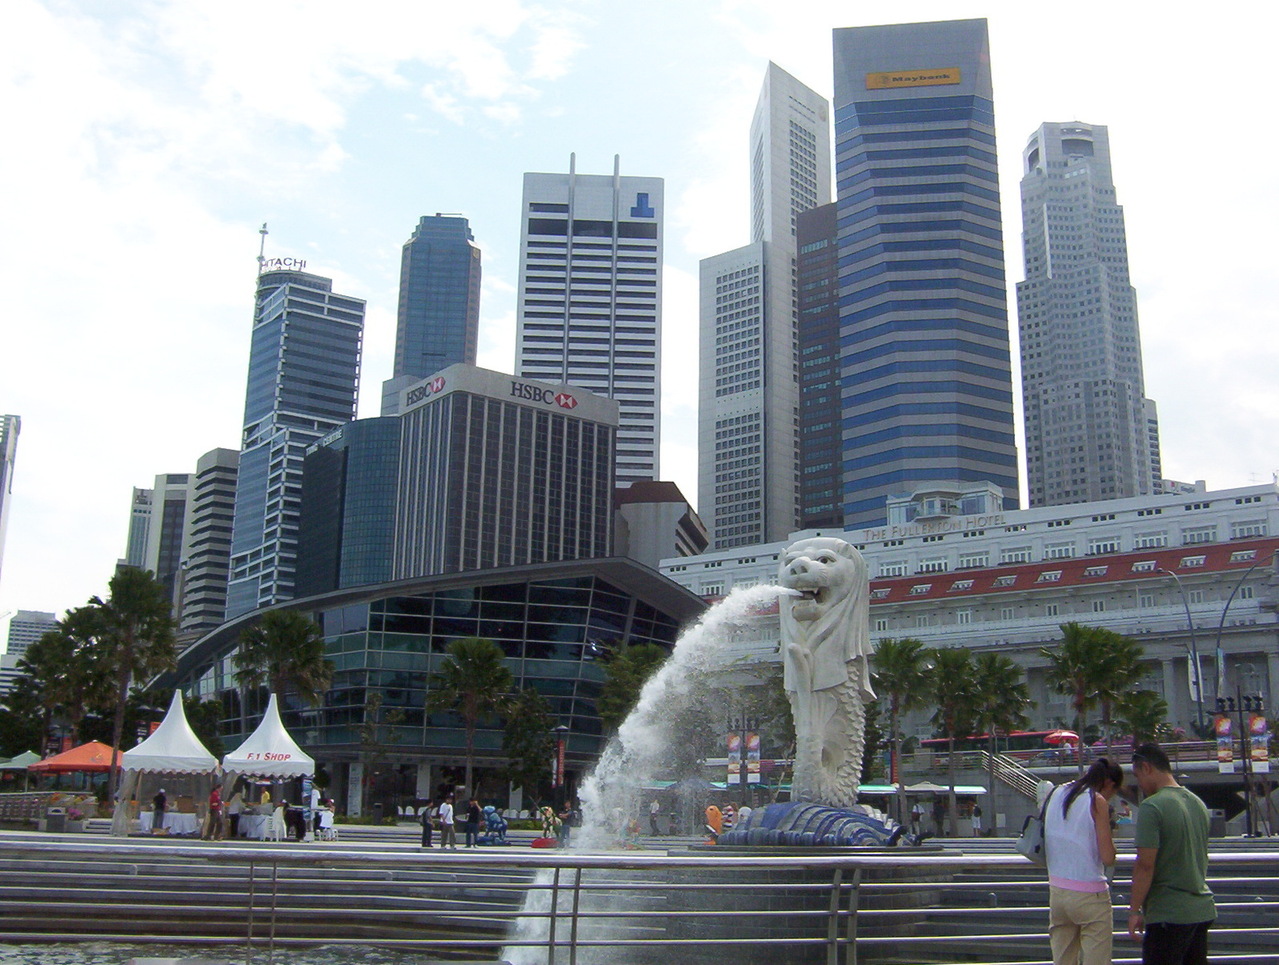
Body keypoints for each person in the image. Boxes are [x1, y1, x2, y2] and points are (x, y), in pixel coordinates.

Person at [1128, 742, 1216, 964]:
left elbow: (1145, 864)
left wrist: (1135, 910)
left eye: (1138, 776)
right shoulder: (1198, 804)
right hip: (1201, 910)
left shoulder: (1152, 806)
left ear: (1147, 767)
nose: (1139, 783)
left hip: (1168, 913)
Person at [1044, 757, 1123, 965]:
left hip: (1058, 892)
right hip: (1090, 895)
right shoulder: (1096, 801)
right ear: (1109, 784)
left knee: (1063, 960)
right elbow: (1108, 857)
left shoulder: (1057, 792)